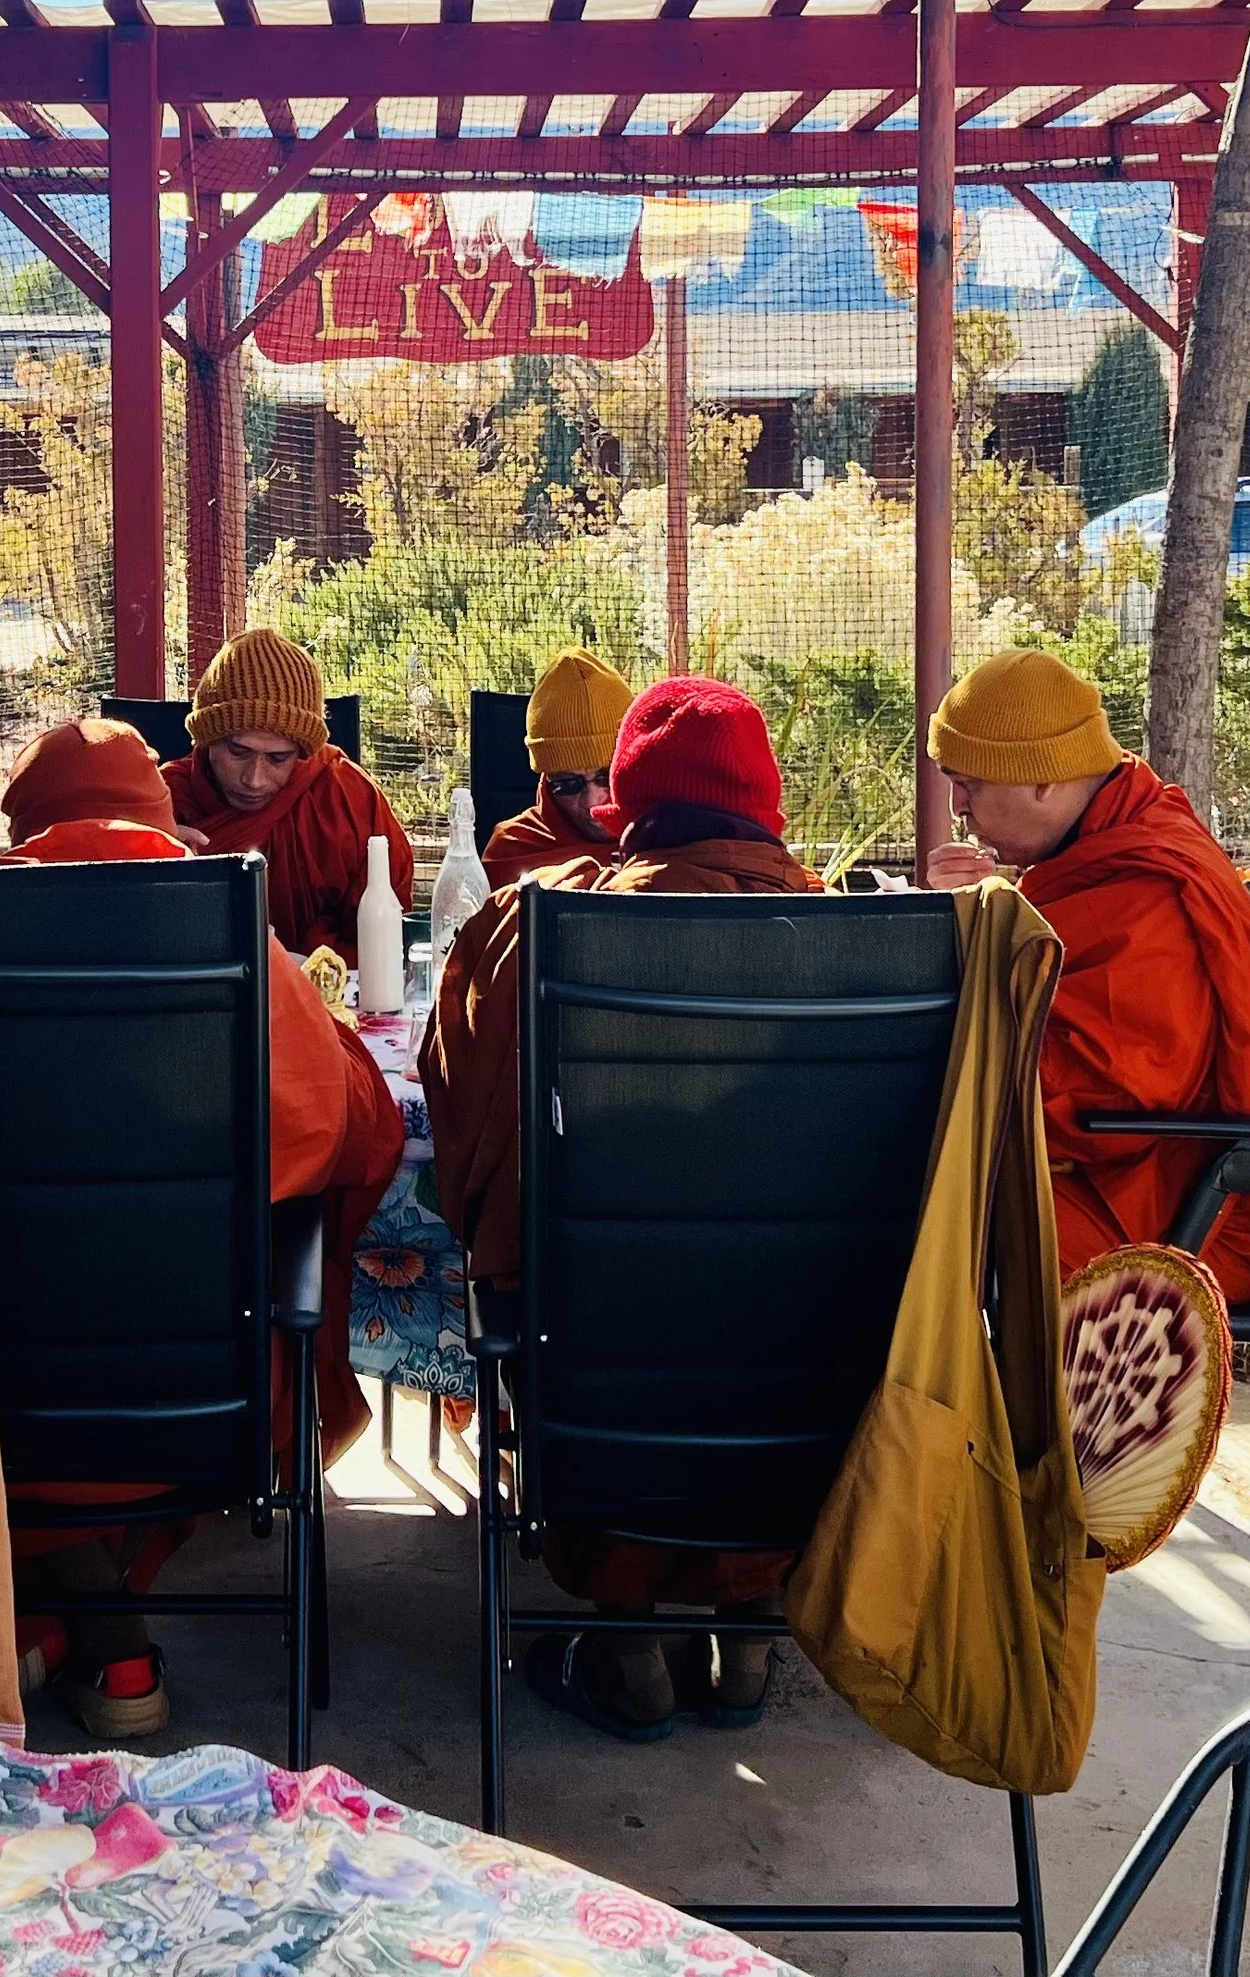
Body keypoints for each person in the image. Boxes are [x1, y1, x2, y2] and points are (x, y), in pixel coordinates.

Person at [422, 675, 817, 1742]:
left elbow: (461, 1118)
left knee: (603, 1306)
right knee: (761, 1316)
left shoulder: (542, 922)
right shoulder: (852, 938)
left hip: (601, 1335)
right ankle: (747, 1634)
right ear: (767, 800)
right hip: (802, 1343)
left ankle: (629, 1639)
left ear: (623, 803)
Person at [0, 718, 405, 1738]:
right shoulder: (227, 935)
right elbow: (350, 1130)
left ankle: (67, 1629)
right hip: (202, 1382)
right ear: (162, 821)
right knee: (259, 1280)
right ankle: (101, 1644)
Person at [923, 648, 1250, 1304]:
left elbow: (1096, 1102)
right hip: (1152, 1175)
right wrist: (963, 922)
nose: (957, 806)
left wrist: (934, 1038)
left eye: (968, 783)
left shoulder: (1151, 895)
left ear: (1044, 781)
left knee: (922, 1228)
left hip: (1212, 1214)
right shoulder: (1118, 825)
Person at [162, 628, 413, 964]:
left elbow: (385, 938)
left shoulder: (348, 800)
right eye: (238, 751)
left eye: (278, 758)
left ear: (303, 754)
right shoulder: (161, 803)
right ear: (207, 741)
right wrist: (148, 853)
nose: (254, 779)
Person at [481, 648, 634, 887]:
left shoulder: (674, 843)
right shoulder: (513, 851)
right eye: (568, 784)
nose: (593, 802)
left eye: (606, 777)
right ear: (547, 780)